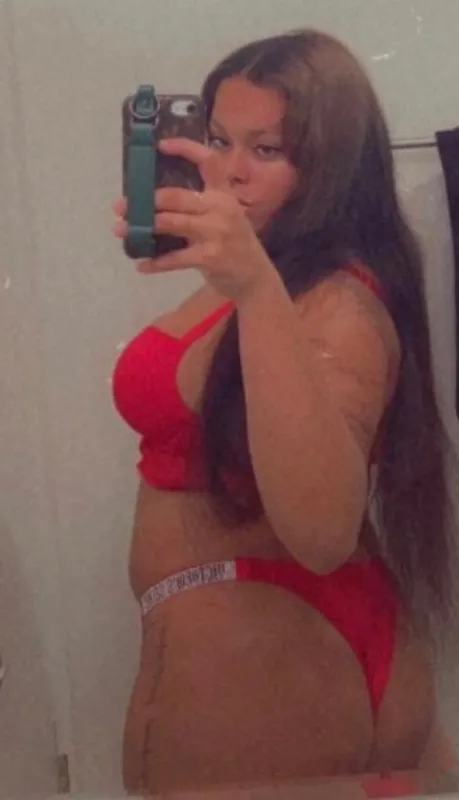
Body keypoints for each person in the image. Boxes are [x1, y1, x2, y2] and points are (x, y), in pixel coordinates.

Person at [111, 28, 457, 795]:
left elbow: (321, 532)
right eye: (218, 139)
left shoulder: (337, 302)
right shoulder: (270, 277)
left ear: (331, 166)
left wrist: (252, 286)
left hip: (277, 650)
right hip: (276, 644)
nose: (231, 170)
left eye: (267, 150)